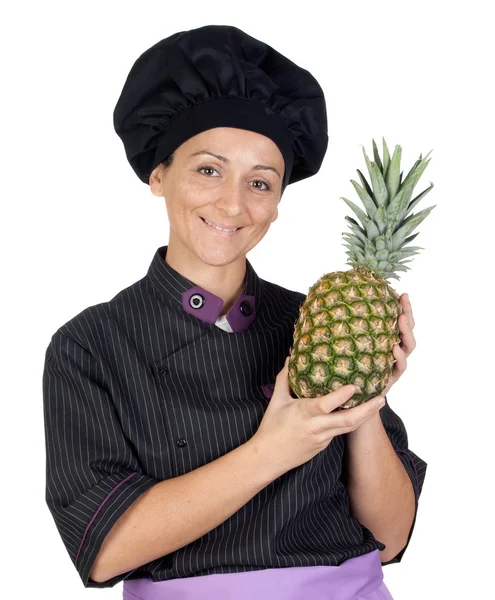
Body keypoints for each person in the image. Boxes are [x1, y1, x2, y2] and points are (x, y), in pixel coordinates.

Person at [42, 24, 427, 600]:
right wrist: (274, 449)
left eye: (260, 182)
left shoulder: (318, 321)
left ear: (277, 202)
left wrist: (363, 402)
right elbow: (103, 553)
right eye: (207, 169)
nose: (232, 202)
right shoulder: (92, 343)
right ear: (158, 174)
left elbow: (390, 537)